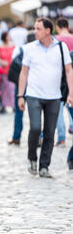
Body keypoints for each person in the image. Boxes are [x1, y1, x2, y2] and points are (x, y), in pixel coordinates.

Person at [17, 17, 73, 178]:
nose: (35, 31)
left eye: (38, 28)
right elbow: (24, 72)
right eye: (34, 28)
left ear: (48, 31)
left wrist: (71, 93)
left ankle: (44, 166)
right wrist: (20, 95)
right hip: (34, 95)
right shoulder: (29, 48)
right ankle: (32, 158)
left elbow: (69, 70)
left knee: (50, 132)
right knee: (35, 128)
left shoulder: (61, 47)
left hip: (54, 96)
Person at [8, 31, 36, 146]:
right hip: (34, 83)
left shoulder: (20, 49)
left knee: (18, 112)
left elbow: (12, 63)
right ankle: (38, 137)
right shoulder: (37, 50)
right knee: (35, 111)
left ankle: (16, 137)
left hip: (20, 83)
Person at [55, 17, 73, 147]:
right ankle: (72, 126)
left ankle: (61, 137)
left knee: (58, 106)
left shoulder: (56, 40)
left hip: (59, 76)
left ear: (58, 27)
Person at [0, 31, 15, 112]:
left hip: (11, 69)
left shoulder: (13, 46)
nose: (9, 37)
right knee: (3, 88)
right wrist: (2, 62)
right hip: (3, 70)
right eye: (8, 36)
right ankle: (3, 105)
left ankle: (13, 105)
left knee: (11, 88)